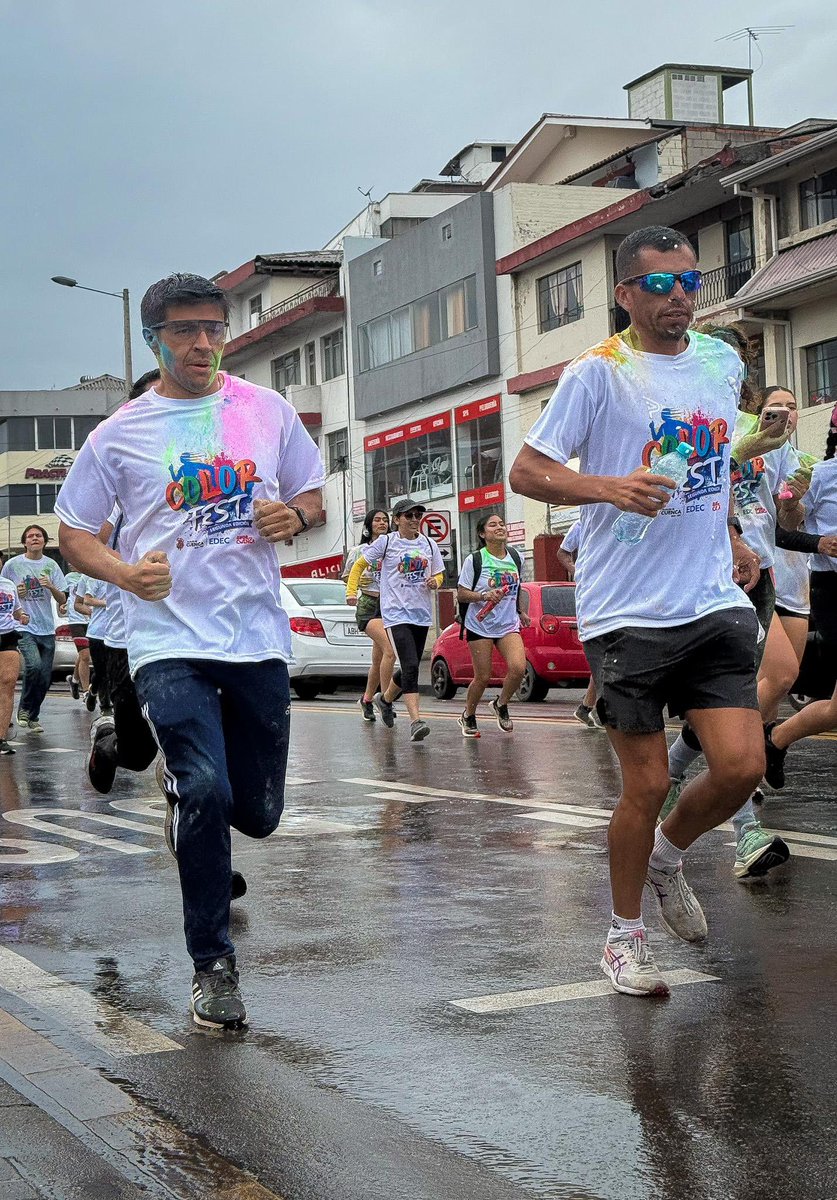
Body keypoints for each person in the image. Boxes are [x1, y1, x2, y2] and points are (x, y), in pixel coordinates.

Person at [56, 272, 325, 1029]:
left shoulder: (264, 410)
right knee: (203, 785)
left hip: (256, 638)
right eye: (184, 331)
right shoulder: (121, 433)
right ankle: (213, 967)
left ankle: (192, 804)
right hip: (166, 636)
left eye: (213, 327)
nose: (203, 343)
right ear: (154, 339)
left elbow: (313, 494)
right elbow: (74, 530)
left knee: (260, 814)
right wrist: (122, 572)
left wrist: (293, 517)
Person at [510, 225, 765, 997]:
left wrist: (727, 529)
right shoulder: (598, 373)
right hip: (625, 609)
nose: (677, 297)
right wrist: (608, 487)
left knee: (741, 765)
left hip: (710, 595)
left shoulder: (723, 361)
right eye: (658, 285)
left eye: (687, 282)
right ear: (624, 294)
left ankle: (665, 856)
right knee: (647, 783)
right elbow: (527, 470)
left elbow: (705, 464)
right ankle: (622, 940)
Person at [765, 405, 837, 782]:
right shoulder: (819, 474)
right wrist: (794, 504)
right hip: (831, 591)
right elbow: (785, 529)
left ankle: (777, 737)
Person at [346, 497, 443, 742]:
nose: (413, 520)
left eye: (417, 516)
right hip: (394, 613)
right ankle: (415, 721)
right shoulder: (387, 542)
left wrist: (436, 581)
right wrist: (351, 593)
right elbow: (358, 566)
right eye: (408, 516)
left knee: (408, 666)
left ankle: (385, 699)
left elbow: (439, 572)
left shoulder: (429, 544)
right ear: (397, 520)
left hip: (420, 614)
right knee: (410, 664)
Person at [455, 513, 530, 736]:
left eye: (501, 524)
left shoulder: (516, 557)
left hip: (508, 624)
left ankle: (501, 704)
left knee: (518, 668)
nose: (499, 527)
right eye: (493, 525)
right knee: (483, 677)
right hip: (480, 625)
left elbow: (517, 588)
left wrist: (521, 611)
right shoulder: (475, 560)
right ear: (482, 533)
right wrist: (484, 596)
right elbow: (461, 594)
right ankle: (468, 714)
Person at [1, 525, 67, 734]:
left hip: (47, 627)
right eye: (30, 536)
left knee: (45, 678)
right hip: (24, 626)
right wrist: (18, 594)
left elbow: (63, 599)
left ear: (45, 541)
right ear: (25, 542)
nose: (34, 539)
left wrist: (51, 587)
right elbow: (3, 590)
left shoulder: (52, 565)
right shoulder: (12, 565)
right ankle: (23, 710)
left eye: (39, 535)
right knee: (34, 666)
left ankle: (33, 715)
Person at [343, 509, 397, 722]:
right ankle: (385, 701)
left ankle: (366, 700)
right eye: (377, 520)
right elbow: (347, 576)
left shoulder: (394, 548)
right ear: (369, 525)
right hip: (368, 605)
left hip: (390, 606)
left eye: (385, 520)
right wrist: (355, 584)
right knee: (390, 651)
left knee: (379, 659)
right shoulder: (359, 551)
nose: (382, 523)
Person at [558, 521, 601, 727]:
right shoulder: (581, 524)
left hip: (615, 590)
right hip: (592, 595)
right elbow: (562, 553)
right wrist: (577, 571)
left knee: (607, 656)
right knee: (604, 652)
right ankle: (601, 708)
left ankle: (587, 707)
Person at [0, 579, 29, 754]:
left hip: (7, 635)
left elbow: (16, 610)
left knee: (8, 684)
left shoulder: (8, 584)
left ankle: (1, 738)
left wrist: (23, 616)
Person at [64, 566, 91, 701]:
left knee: (83, 656)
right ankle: (86, 691)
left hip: (93, 620)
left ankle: (74, 681)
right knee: (85, 656)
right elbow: (64, 597)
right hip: (76, 620)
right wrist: (62, 607)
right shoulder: (69, 578)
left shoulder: (94, 574)